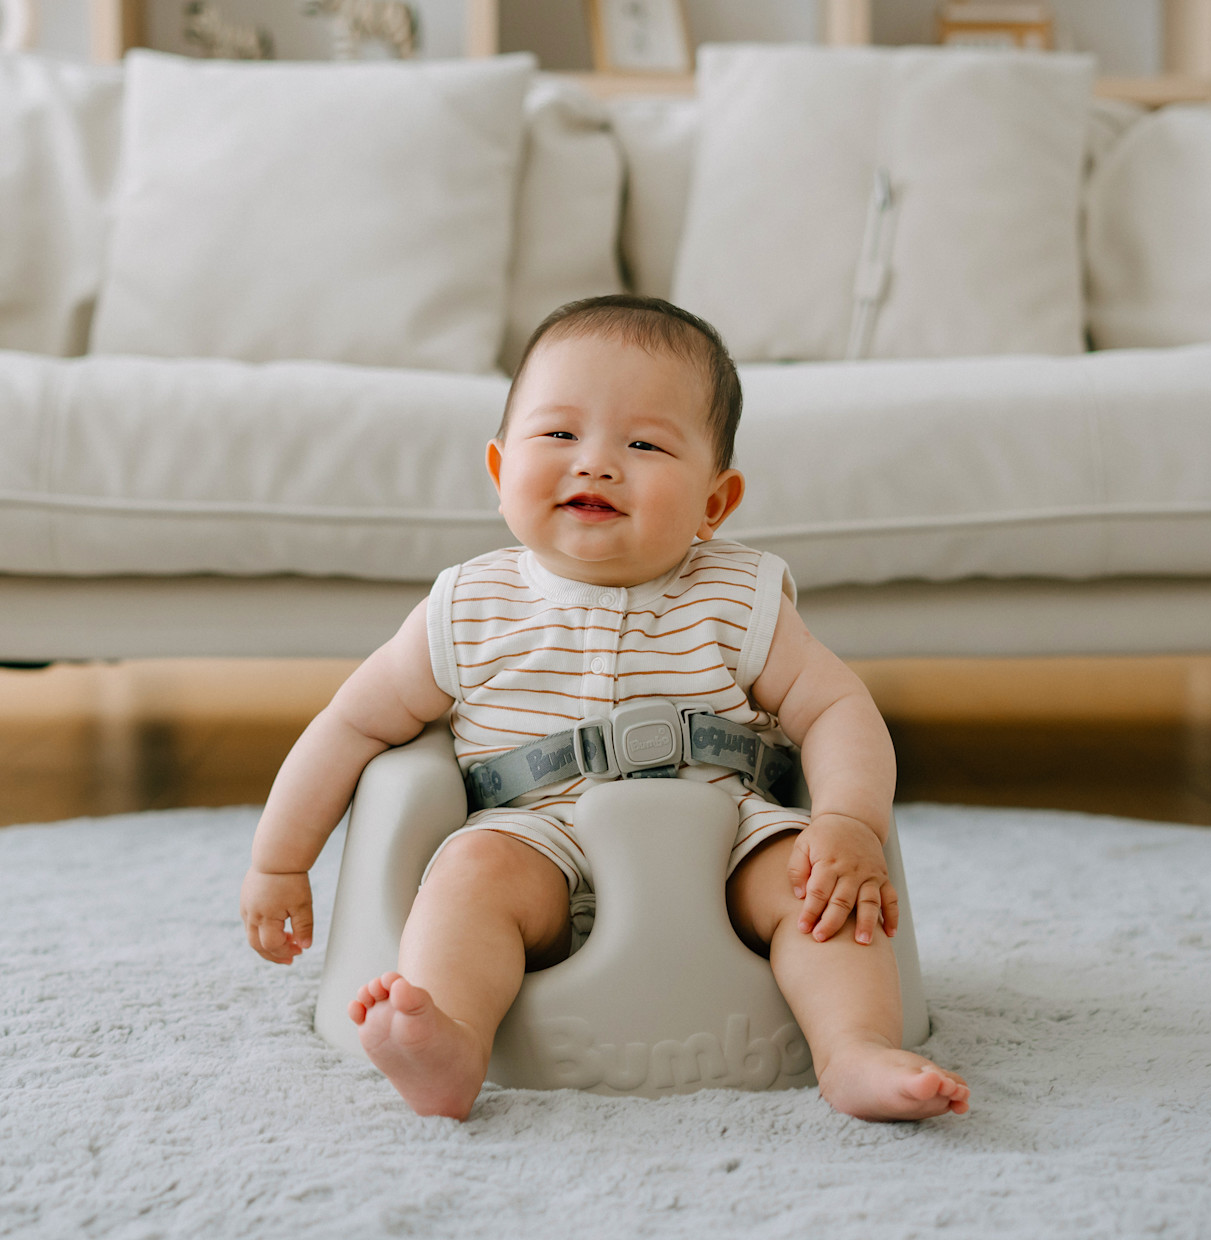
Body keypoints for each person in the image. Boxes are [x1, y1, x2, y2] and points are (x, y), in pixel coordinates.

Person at [241, 295, 970, 1123]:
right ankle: (448, 1040)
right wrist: (280, 861)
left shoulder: (739, 597)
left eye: (645, 444)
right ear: (498, 467)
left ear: (714, 503)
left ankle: (856, 1050)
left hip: (726, 834)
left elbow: (837, 707)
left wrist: (847, 819)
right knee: (466, 881)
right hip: (533, 838)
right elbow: (352, 726)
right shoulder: (468, 607)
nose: (595, 463)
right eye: (558, 435)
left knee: (821, 890)